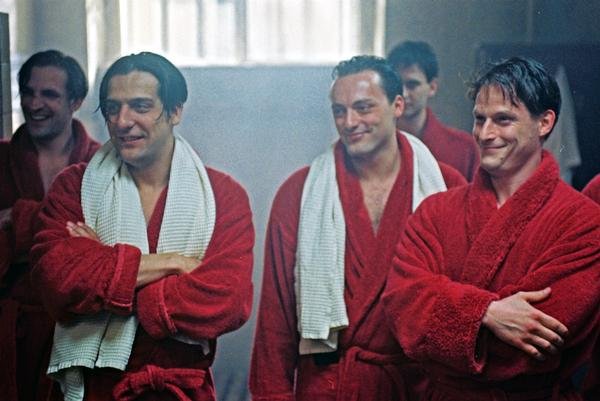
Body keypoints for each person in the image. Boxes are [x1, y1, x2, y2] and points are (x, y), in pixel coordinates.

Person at [31, 52, 254, 401]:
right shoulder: (75, 187)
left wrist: (106, 273)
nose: (123, 121)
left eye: (140, 106)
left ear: (175, 111)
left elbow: (228, 301)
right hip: (94, 390)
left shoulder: (222, 195)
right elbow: (56, 280)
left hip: (180, 390)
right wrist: (173, 264)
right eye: (112, 108)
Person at [383, 57, 600, 401]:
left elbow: (539, 346)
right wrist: (485, 313)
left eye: (503, 120)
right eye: (479, 119)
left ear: (545, 122)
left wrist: (447, 321)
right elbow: (401, 306)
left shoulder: (584, 221)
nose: (485, 134)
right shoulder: (434, 212)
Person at [250, 55, 466, 401]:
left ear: (398, 105)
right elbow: (276, 321)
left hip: (415, 386)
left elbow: (464, 299)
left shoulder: (446, 187)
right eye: (339, 111)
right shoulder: (298, 193)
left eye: (363, 108)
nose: (349, 122)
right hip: (330, 385)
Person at [0, 49, 99, 401]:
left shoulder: (101, 165)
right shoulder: (1, 160)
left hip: (81, 328)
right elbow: (74, 241)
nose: (34, 104)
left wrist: (16, 218)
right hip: (12, 332)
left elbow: (103, 251)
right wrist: (65, 235)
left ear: (76, 101)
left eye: (49, 94)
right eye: (28, 92)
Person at [388, 40, 479, 181]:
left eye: (412, 85)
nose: (404, 93)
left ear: (432, 87)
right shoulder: (375, 145)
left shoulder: (464, 148)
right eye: (398, 85)